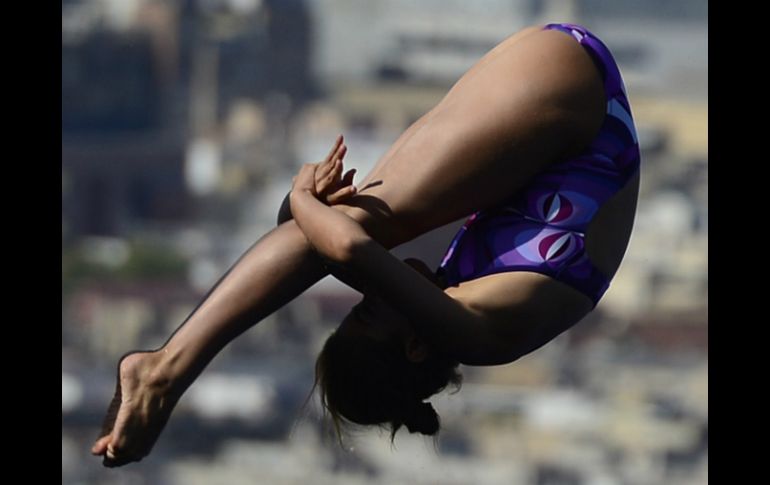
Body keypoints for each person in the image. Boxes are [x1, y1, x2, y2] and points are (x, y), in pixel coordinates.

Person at [92, 22, 640, 466]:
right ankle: (165, 371)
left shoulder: (450, 304)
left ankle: (164, 368)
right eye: (368, 316)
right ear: (415, 348)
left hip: (568, 93)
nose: (367, 299)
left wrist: (302, 215)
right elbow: (346, 250)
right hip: (569, 99)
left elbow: (324, 244)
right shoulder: (479, 335)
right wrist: (303, 200)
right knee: (351, 229)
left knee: (349, 225)